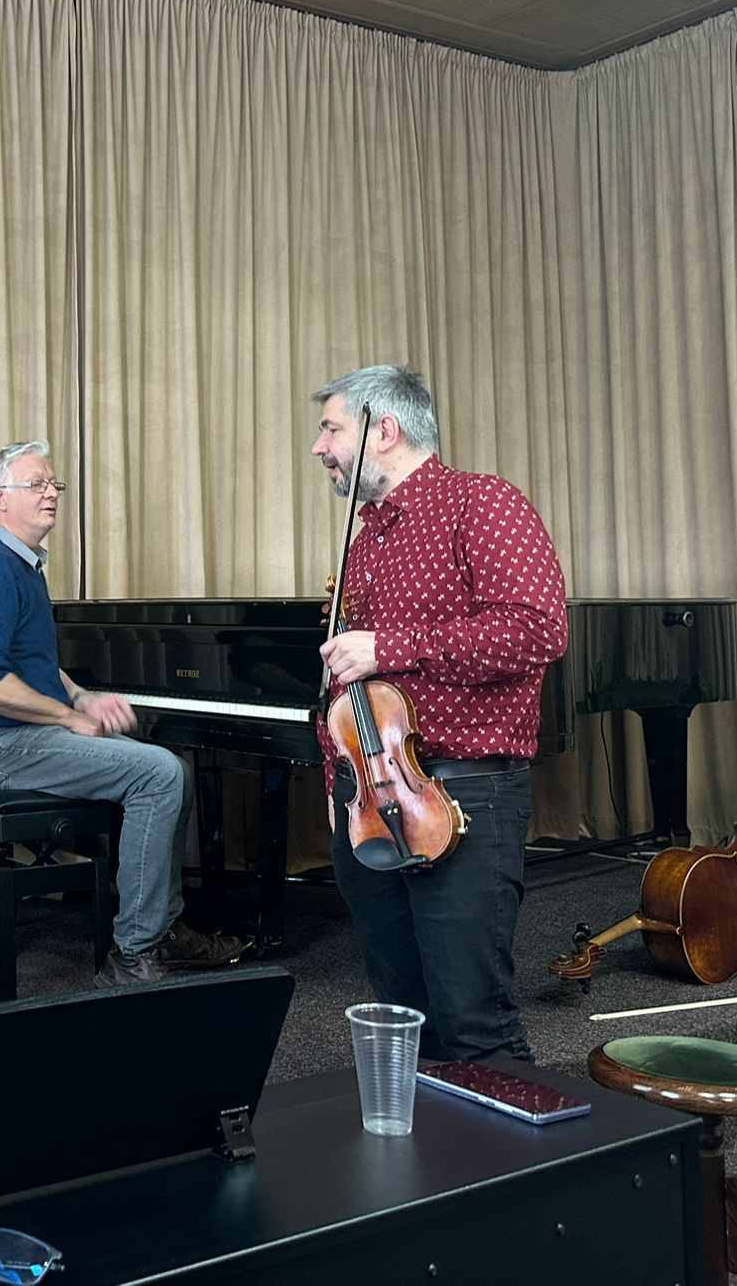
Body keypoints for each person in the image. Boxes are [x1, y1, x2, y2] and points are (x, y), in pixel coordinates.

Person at [309, 365, 566, 1064]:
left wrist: (388, 647)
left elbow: (536, 631)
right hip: (366, 803)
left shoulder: (482, 503)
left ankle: (511, 1137)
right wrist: (338, 780)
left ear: (383, 430)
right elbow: (345, 686)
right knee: (403, 1017)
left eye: (331, 429)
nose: (320, 447)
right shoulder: (365, 542)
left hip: (462, 794)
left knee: (473, 1021)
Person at [0, 439, 247, 987]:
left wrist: (80, 697)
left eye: (54, 484)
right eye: (36, 484)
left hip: (12, 737)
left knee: (172, 769)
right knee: (158, 772)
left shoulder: (18, 564)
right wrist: (69, 719)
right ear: (0, 498)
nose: (51, 493)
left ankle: (162, 929)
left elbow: (34, 665)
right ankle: (135, 953)